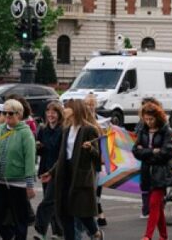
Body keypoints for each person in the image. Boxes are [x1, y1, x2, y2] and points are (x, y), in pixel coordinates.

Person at [42, 98, 104, 240]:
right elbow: (63, 156)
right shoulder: (67, 129)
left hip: (80, 175)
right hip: (65, 174)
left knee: (81, 212)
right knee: (65, 212)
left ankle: (95, 232)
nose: (64, 109)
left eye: (67, 107)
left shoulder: (89, 129)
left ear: (75, 109)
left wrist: (90, 149)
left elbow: (98, 157)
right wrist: (51, 172)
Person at [0, 99, 37, 240]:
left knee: (19, 220)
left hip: (17, 183)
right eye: (4, 113)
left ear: (19, 114)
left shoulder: (26, 133)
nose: (6, 116)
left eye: (10, 113)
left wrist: (29, 185)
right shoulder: (0, 129)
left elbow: (30, 160)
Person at [133, 102, 172, 240]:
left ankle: (148, 236)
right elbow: (135, 151)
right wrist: (152, 151)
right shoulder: (142, 130)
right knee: (157, 207)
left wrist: (145, 153)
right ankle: (164, 236)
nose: (148, 122)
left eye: (151, 119)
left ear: (157, 117)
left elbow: (166, 153)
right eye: (146, 119)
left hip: (162, 173)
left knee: (153, 204)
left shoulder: (166, 131)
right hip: (147, 172)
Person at [34, 101, 65, 239]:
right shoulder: (43, 130)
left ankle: (40, 231)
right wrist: (38, 147)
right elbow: (40, 152)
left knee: (47, 201)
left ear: (59, 114)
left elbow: (62, 153)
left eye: (54, 112)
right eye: (48, 112)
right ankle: (58, 231)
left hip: (57, 171)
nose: (50, 115)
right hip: (45, 169)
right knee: (53, 202)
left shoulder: (63, 130)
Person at [84, 93, 108, 227]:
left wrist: (105, 157)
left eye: (92, 104)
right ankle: (99, 214)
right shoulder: (82, 120)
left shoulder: (102, 121)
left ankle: (98, 212)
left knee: (97, 187)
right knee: (89, 188)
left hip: (98, 157)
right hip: (86, 157)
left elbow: (105, 142)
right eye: (87, 104)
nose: (90, 107)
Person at [136, 96, 162, 218]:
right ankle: (147, 209)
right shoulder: (141, 127)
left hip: (158, 164)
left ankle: (154, 209)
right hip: (146, 162)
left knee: (156, 187)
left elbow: (164, 149)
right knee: (145, 185)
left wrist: (145, 150)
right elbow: (136, 149)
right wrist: (151, 151)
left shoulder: (163, 128)